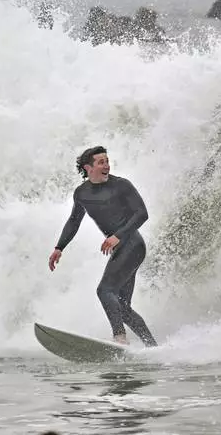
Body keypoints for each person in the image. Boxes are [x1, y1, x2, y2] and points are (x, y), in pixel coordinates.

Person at [48, 146, 158, 347]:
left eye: (107, 161)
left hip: (133, 244)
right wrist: (59, 247)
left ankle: (120, 338)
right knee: (123, 309)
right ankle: (153, 348)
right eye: (101, 162)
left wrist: (117, 236)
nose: (107, 165)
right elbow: (74, 221)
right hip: (121, 248)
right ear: (88, 168)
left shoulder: (121, 185)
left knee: (105, 290)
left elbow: (142, 213)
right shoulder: (81, 193)